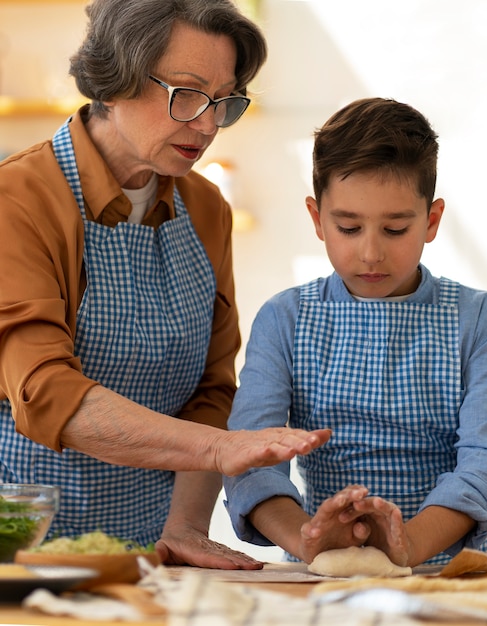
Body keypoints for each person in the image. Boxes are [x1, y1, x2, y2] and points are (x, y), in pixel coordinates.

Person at [0, 0, 332, 570]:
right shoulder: (19, 200)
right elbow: (45, 393)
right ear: (115, 79)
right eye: (187, 93)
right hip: (23, 550)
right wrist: (221, 448)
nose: (207, 124)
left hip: (151, 556)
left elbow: (210, 388)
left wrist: (185, 527)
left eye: (224, 101)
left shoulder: (204, 207)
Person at [224, 97, 487, 568]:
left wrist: (406, 545)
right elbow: (252, 460)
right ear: (317, 218)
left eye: (395, 229)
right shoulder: (285, 319)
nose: (371, 253)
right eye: (348, 227)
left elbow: (485, 459)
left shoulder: (479, 319)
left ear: (432, 220)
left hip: (452, 571)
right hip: (326, 570)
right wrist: (308, 538)